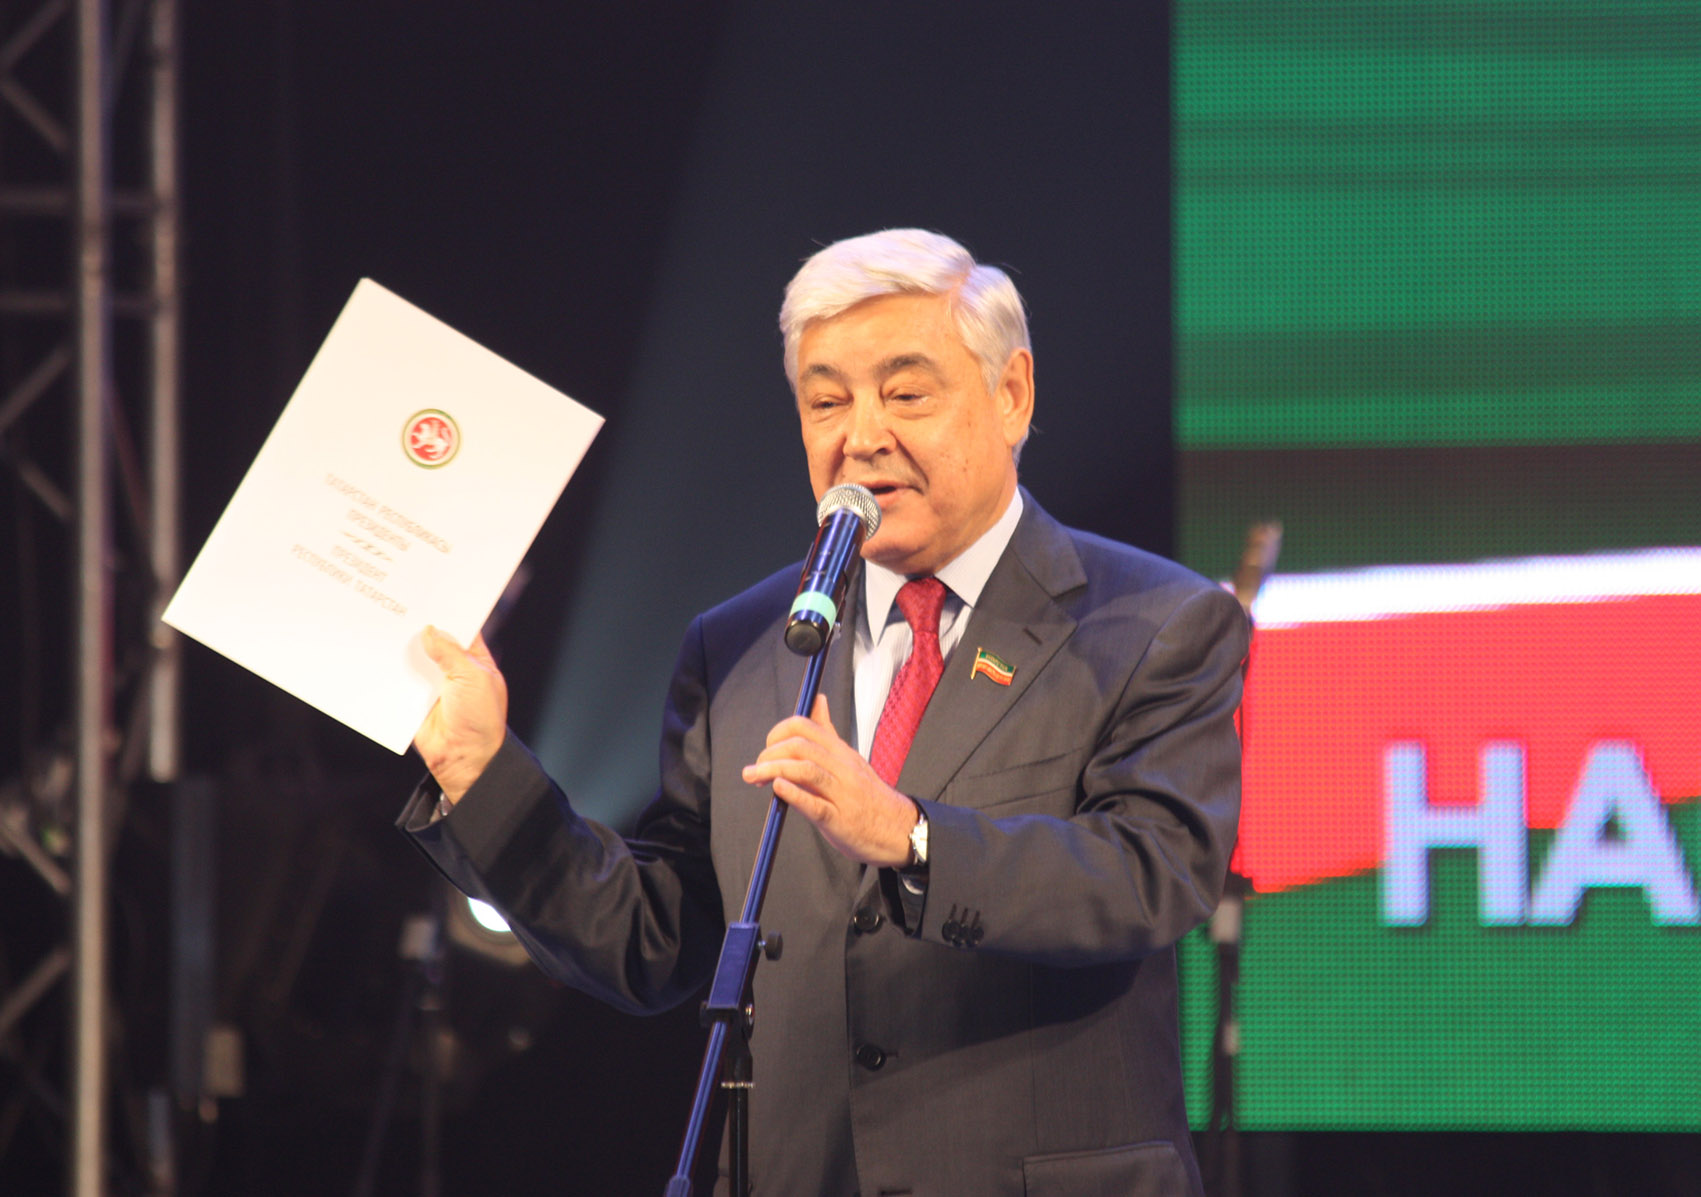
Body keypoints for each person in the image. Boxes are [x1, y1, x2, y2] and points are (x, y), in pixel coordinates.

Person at [403, 228, 1248, 1196]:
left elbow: (1152, 874)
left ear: (1011, 393)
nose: (862, 436)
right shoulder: (742, 644)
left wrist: (912, 836)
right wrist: (482, 775)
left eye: (906, 393)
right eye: (826, 401)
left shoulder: (1154, 622)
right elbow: (654, 940)